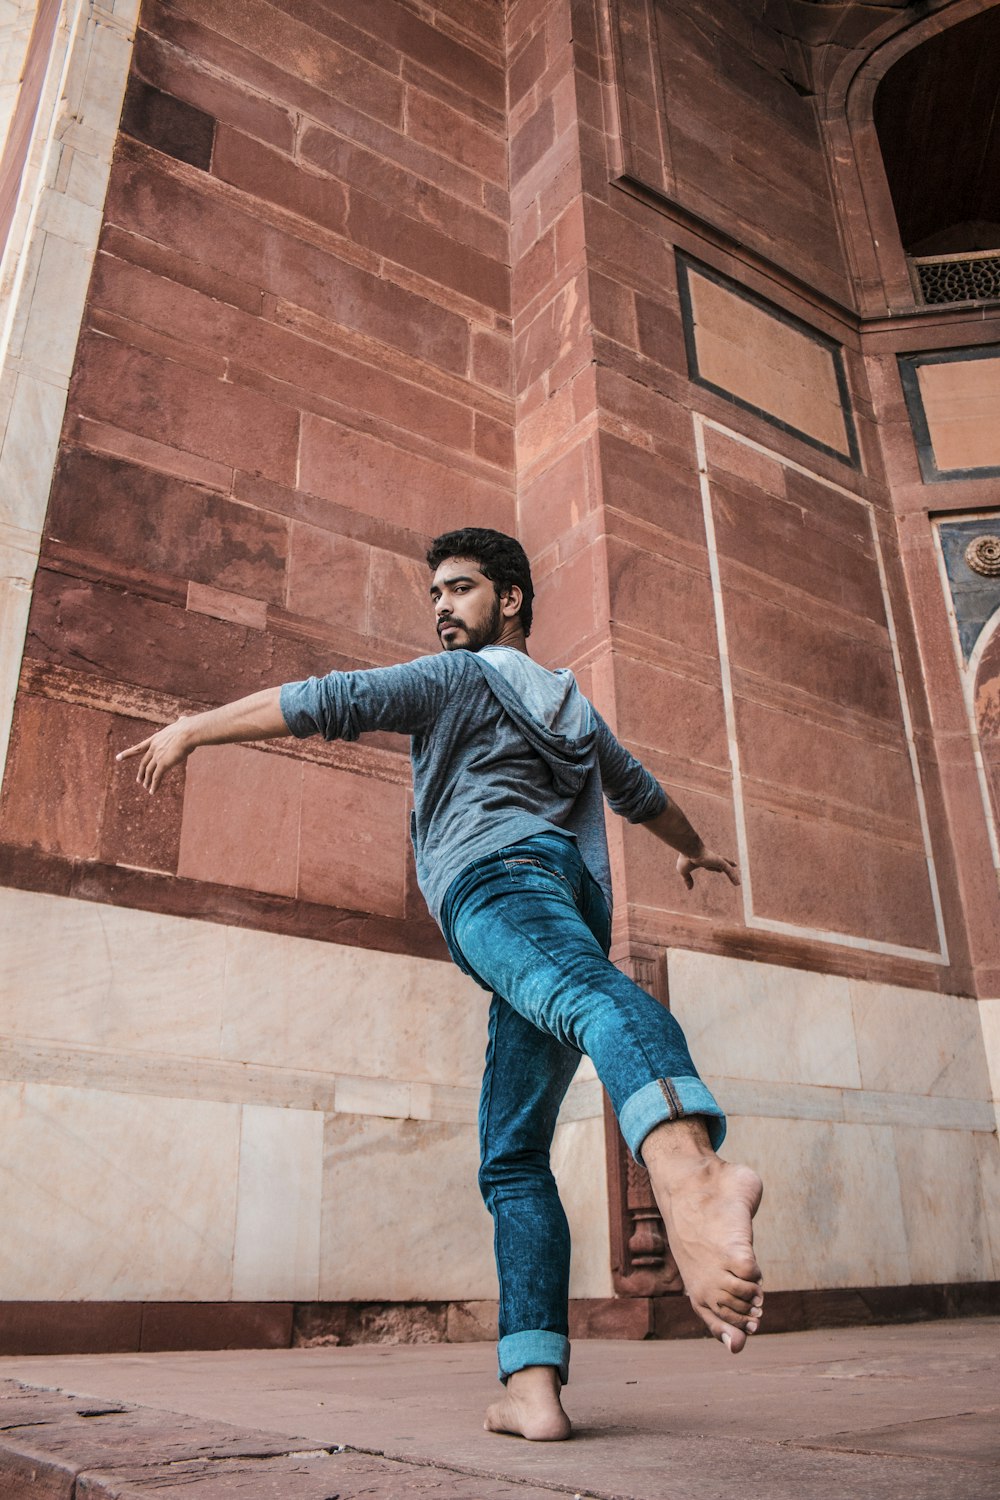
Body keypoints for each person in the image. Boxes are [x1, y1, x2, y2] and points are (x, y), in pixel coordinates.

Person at [118, 527, 763, 1442]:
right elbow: (641, 794)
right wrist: (696, 851)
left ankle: (693, 1171)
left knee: (586, 994)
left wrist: (193, 728)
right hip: (556, 902)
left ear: (511, 599)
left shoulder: (457, 679)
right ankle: (532, 1389)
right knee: (510, 1155)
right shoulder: (574, 708)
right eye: (434, 594)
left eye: (459, 589)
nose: (440, 607)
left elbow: (326, 701)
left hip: (497, 887)